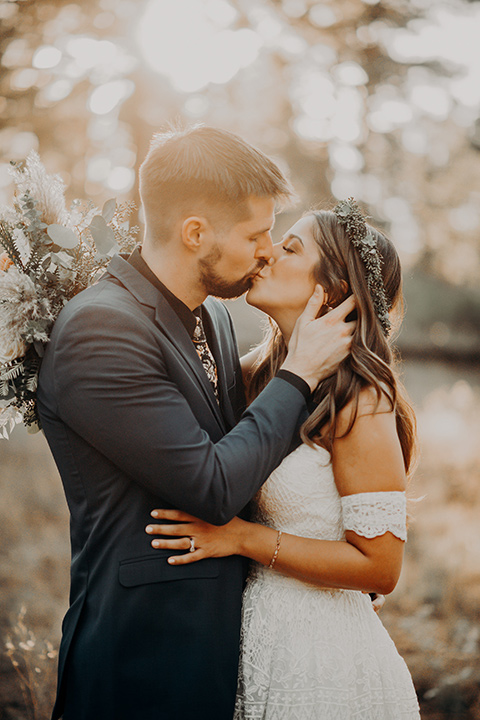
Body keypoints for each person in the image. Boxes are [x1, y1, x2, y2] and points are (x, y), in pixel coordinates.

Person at [36, 126, 355, 720]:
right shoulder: (100, 330)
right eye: (256, 235)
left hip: (233, 653)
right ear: (195, 233)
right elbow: (212, 487)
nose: (267, 250)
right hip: (141, 661)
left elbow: (249, 448)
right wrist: (301, 372)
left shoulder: (215, 315)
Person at [146, 200, 421, 719]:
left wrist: (241, 538)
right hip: (246, 640)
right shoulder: (252, 375)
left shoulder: (361, 401)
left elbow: (380, 569)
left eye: (290, 247)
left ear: (334, 288)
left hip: (323, 661)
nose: (267, 252)